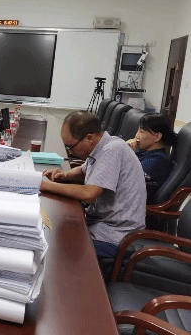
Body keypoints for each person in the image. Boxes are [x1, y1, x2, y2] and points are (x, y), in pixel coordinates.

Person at [40, 111, 146, 261]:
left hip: (115, 236)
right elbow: (84, 170)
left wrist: (45, 186)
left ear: (89, 138)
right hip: (101, 224)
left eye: (71, 147)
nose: (70, 151)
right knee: (54, 229)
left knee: (56, 246)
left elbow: (89, 194)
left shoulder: (112, 150)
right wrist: (63, 175)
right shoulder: (103, 145)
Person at [126, 113, 176, 204]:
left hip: (131, 205)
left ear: (157, 137)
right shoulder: (146, 152)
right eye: (138, 131)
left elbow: (126, 178)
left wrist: (125, 150)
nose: (137, 135)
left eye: (141, 132)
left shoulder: (158, 160)